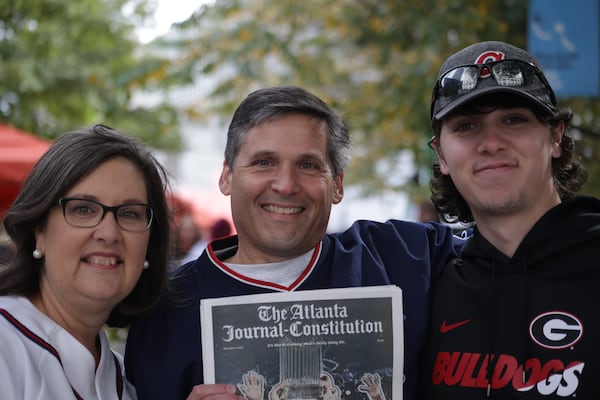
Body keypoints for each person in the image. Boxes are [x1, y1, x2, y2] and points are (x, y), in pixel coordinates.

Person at [124, 85, 466, 400]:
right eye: (264, 162)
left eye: (308, 165)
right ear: (227, 176)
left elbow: (509, 245)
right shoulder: (166, 310)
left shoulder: (406, 257)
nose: (286, 185)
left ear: (337, 185)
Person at [422, 41, 600, 398]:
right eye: (467, 126)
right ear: (441, 154)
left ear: (556, 137)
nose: (491, 142)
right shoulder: (424, 289)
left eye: (513, 119)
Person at [0, 124, 171, 399]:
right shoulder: (5, 347)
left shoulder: (125, 379)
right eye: (83, 209)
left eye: (129, 214)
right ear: (39, 232)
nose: (109, 233)